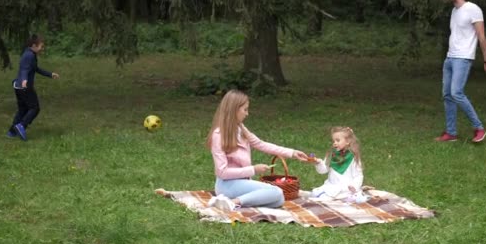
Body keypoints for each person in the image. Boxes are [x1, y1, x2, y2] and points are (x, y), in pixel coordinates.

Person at [155, 90, 308, 210]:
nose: (247, 113)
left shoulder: (240, 128)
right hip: (227, 185)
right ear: (234, 110)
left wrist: (292, 153)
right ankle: (233, 202)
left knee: (279, 200)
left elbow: (261, 144)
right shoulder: (219, 135)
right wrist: (253, 170)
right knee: (276, 192)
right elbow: (222, 172)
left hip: (241, 183)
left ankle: (232, 203)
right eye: (245, 110)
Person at [435, 0, 486, 143]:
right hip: (450, 57)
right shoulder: (454, 11)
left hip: (463, 58)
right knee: (447, 95)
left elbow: (481, 36)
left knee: (456, 93)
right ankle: (451, 133)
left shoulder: (473, 9)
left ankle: (479, 128)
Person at [7, 34, 60, 140]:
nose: (42, 49)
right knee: (35, 108)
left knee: (22, 110)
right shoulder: (30, 56)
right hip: (24, 86)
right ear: (34, 46)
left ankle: (12, 132)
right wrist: (25, 80)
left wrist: (50, 74)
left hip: (18, 86)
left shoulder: (28, 53)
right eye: (41, 46)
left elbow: (35, 68)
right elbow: (24, 69)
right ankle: (21, 125)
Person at [305, 127, 363, 200]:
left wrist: (354, 186)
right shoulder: (332, 154)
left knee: (321, 199)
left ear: (347, 141)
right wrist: (318, 163)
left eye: (338, 140)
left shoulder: (353, 158)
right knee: (313, 194)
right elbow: (323, 170)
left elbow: (358, 175)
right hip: (330, 185)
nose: (335, 143)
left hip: (345, 189)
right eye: (334, 141)